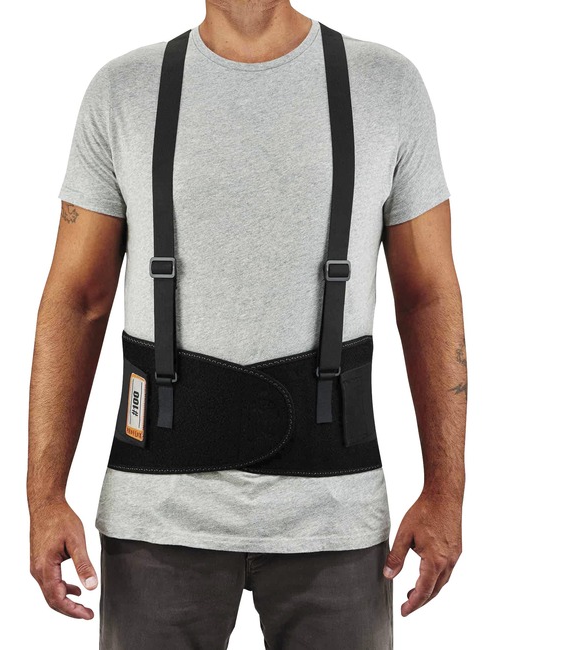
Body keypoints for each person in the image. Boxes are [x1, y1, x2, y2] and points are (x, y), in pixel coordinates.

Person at [27, 1, 466, 648]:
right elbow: (77, 299)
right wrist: (44, 497)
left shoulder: (384, 85)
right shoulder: (123, 91)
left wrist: (446, 491)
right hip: (158, 520)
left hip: (334, 517)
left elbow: (428, 295)